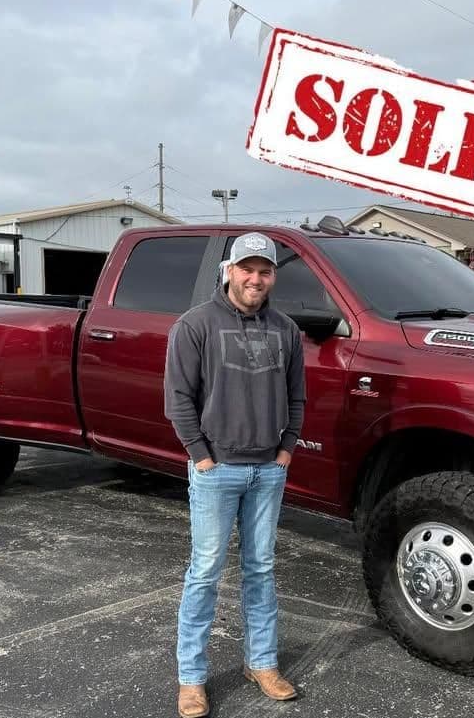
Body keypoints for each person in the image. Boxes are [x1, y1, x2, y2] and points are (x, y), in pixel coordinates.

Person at [164, 231, 306, 718]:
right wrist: (201, 456)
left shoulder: (285, 329)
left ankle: (261, 663)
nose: (255, 278)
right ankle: (191, 679)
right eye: (247, 269)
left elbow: (297, 396)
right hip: (217, 470)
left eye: (264, 271)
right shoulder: (195, 325)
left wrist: (285, 450)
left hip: (268, 470)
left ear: (272, 277)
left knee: (261, 570)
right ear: (229, 271)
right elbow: (178, 397)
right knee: (204, 573)